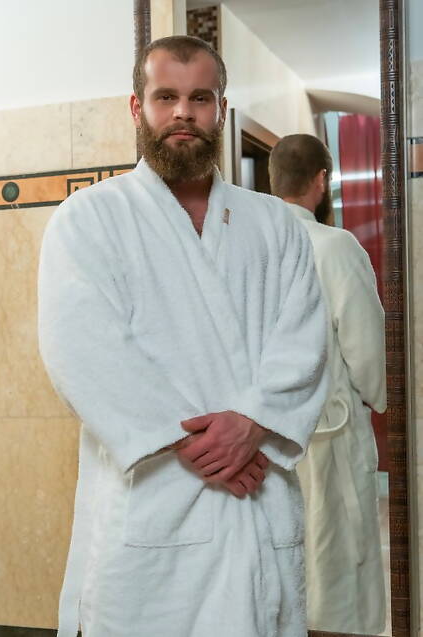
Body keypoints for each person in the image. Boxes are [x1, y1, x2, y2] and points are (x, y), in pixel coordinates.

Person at [38, 37, 328, 637]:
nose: (183, 113)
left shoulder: (275, 224)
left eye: (200, 98)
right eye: (165, 96)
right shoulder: (90, 219)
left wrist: (253, 422)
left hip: (256, 500)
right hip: (156, 497)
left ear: (221, 108)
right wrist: (200, 443)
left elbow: (305, 342)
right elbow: (83, 350)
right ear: (137, 107)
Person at [269, 133, 387, 634]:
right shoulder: (335, 247)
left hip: (268, 435)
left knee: (284, 555)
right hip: (330, 430)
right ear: (322, 179)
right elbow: (365, 345)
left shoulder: (251, 247)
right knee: (337, 558)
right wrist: (377, 397)